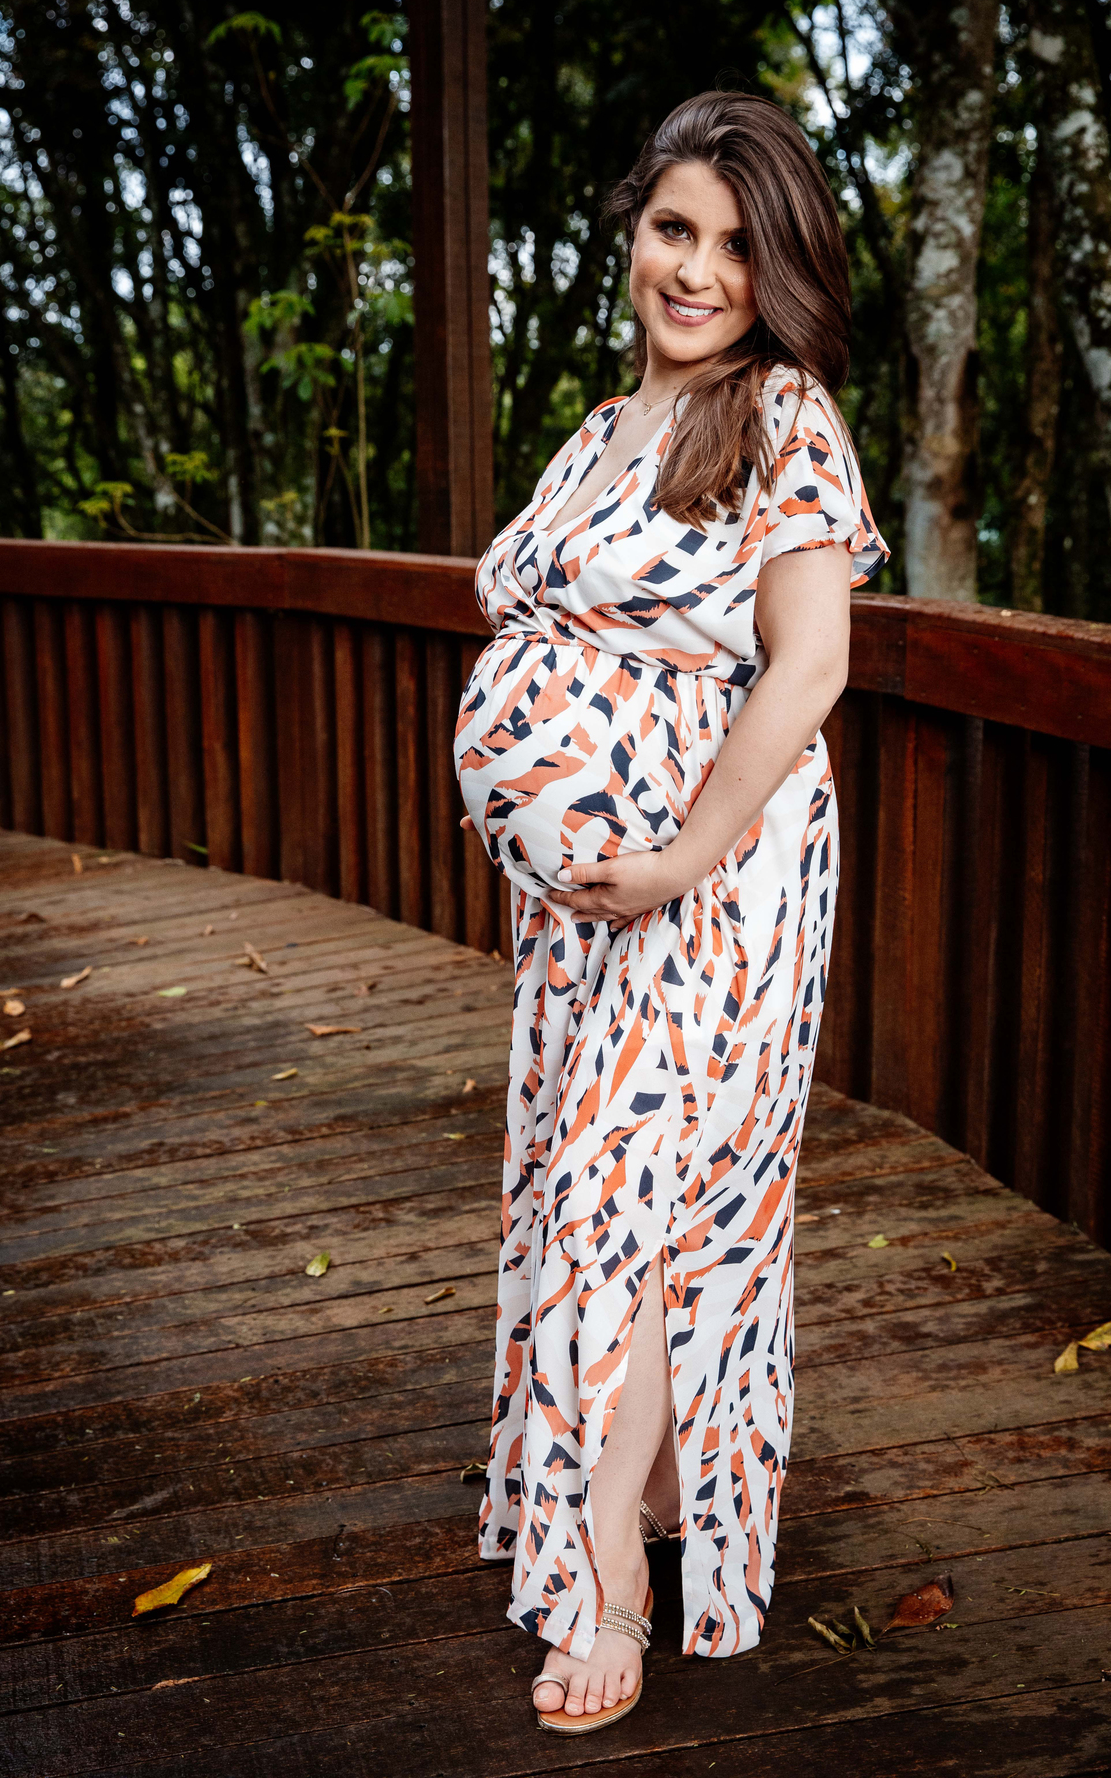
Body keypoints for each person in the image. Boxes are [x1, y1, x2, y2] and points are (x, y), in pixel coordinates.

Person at [454, 89, 888, 1736]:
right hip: (595, 913)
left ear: (781, 269)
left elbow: (813, 667)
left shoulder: (786, 418)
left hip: (715, 888)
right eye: (675, 228)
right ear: (632, 229)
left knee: (623, 1208)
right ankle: (622, 1491)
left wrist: (684, 859)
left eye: (736, 243)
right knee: (604, 1192)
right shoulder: (601, 429)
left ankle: (615, 1587)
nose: (698, 271)